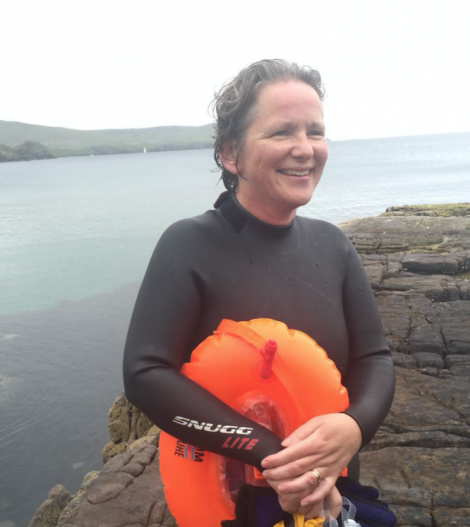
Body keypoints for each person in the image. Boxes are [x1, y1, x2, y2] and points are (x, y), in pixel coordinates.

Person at [123, 59, 395, 522]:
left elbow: (374, 357)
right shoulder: (189, 244)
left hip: (327, 492)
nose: (305, 149)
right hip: (234, 503)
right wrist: (276, 457)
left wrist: (354, 426)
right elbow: (144, 373)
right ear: (231, 155)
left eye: (315, 131)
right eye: (282, 132)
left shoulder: (332, 244)